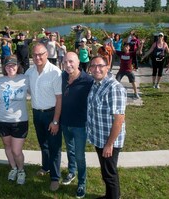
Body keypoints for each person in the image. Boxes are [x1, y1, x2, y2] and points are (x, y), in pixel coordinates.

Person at [87, 56, 127, 199]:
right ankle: (109, 195)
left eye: (100, 66)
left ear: (107, 67)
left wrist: (109, 144)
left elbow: (119, 119)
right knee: (106, 172)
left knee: (110, 174)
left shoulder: (114, 88)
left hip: (109, 141)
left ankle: (114, 197)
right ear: (90, 68)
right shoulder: (96, 83)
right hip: (100, 137)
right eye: (93, 66)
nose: (96, 69)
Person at [25, 43, 62, 191]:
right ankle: (45, 167)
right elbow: (27, 90)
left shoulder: (55, 72)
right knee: (43, 144)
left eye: (41, 54)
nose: (38, 57)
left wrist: (55, 120)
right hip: (37, 113)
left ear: (47, 54)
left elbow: (59, 99)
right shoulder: (29, 72)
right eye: (35, 55)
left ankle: (55, 177)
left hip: (51, 114)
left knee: (54, 146)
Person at [60, 52, 93, 199]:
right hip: (65, 122)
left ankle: (82, 183)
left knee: (80, 155)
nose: (68, 65)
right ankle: (71, 171)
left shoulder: (88, 81)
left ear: (79, 62)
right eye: (65, 62)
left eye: (71, 62)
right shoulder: (62, 77)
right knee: (70, 150)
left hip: (80, 125)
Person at [0, 56, 29, 185]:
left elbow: (35, 92)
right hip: (2, 119)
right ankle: (13, 168)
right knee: (7, 146)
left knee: (16, 150)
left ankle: (21, 170)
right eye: (8, 65)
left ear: (18, 66)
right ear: (4, 67)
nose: (11, 68)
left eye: (13, 65)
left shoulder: (25, 79)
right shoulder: (0, 81)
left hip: (19, 121)